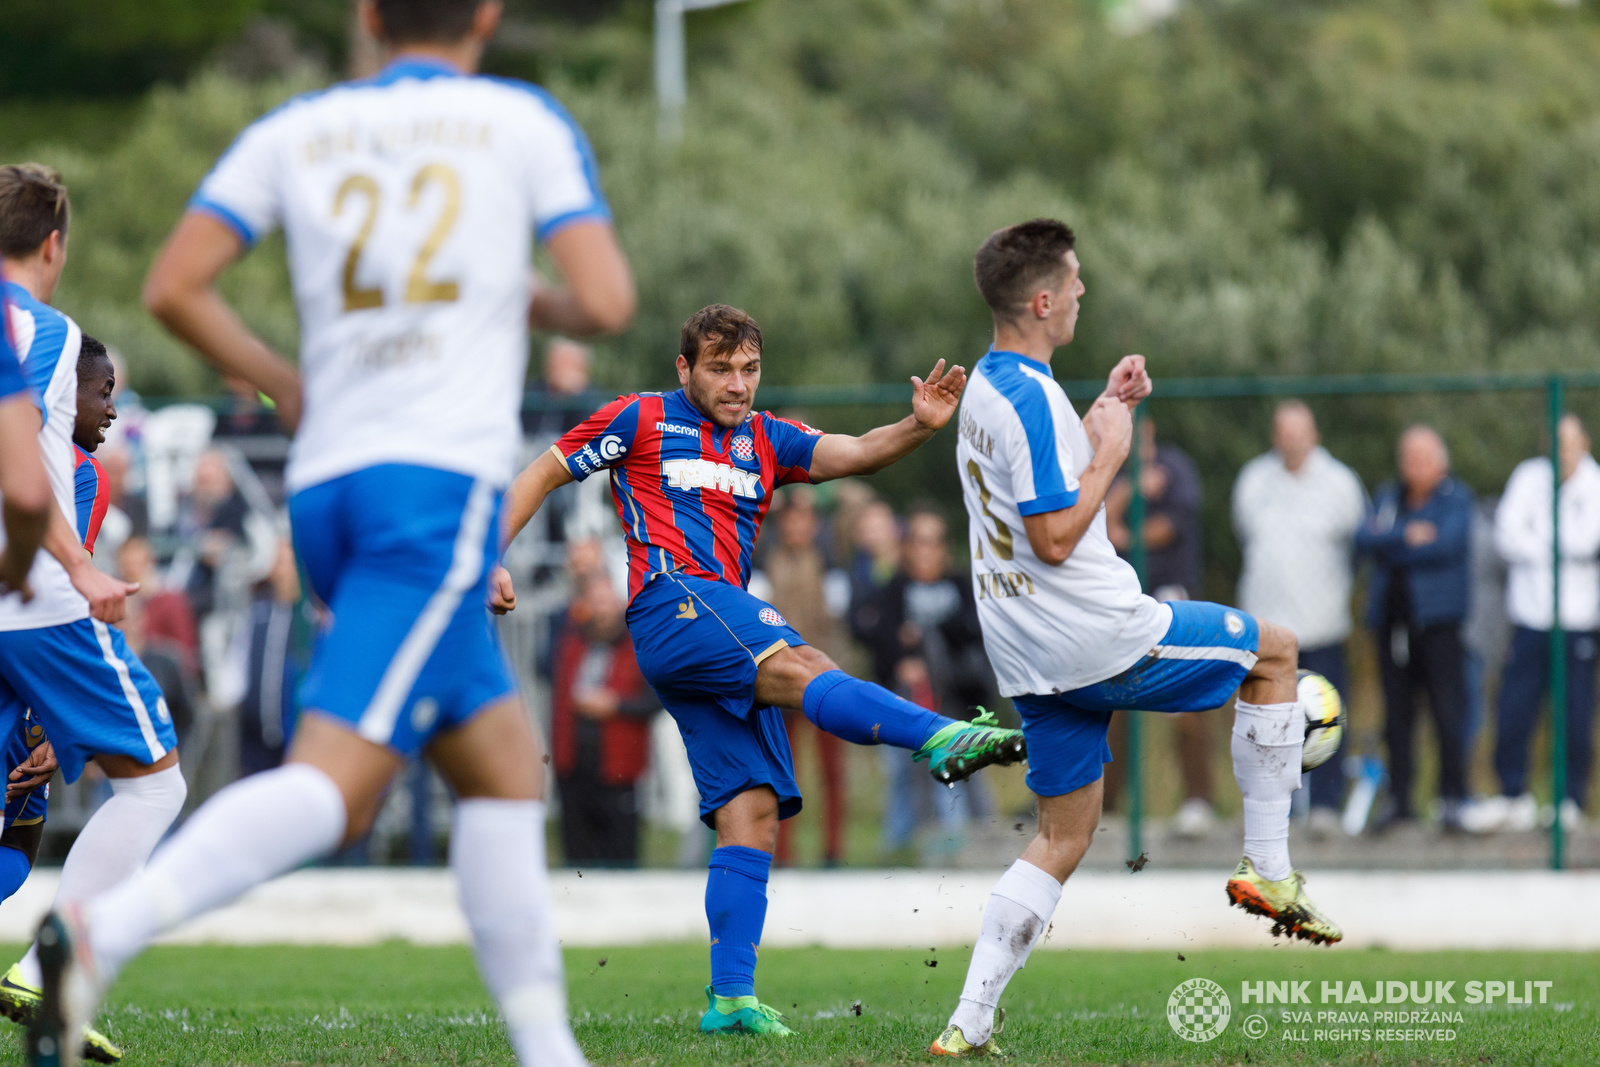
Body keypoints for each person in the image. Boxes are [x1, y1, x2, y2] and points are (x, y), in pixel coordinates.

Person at [38, 2, 637, 1065]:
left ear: (367, 15)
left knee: (502, 768)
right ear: (488, 14)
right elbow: (602, 299)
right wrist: (502, 291)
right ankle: (98, 929)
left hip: (328, 489)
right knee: (338, 783)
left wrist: (281, 380)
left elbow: (174, 285)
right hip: (431, 482)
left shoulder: (299, 127)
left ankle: (550, 1048)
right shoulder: (519, 120)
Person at [491, 302, 1025, 1037]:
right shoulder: (638, 419)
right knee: (805, 662)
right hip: (673, 604)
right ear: (685, 369)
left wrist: (917, 426)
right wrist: (489, 554)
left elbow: (856, 452)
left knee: (752, 809)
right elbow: (540, 474)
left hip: (715, 631)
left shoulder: (769, 438)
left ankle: (730, 997)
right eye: (720, 368)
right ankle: (938, 736)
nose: (738, 383)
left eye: (749, 368)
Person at [933, 219, 1339, 1059]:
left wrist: (1108, 411)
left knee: (1063, 836)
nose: (1083, 291)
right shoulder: (1032, 397)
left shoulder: (986, 386)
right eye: (1074, 281)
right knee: (1278, 649)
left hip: (1028, 652)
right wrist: (1113, 452)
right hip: (1100, 636)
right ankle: (1266, 866)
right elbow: (1052, 532)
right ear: (1042, 300)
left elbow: (1034, 482)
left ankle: (967, 1022)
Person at [0, 163, 187, 1067]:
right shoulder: (43, 332)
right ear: (54, 243)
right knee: (155, 784)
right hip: (33, 601)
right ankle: (45, 968)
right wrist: (81, 570)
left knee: (19, 800)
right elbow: (23, 474)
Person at [0, 333, 120, 908]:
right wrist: (53, 711)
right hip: (19, 668)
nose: (112, 410)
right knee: (154, 783)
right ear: (69, 394)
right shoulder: (79, 471)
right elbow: (62, 594)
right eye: (104, 392)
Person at [1232, 401, 1366, 836]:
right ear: (1275, 436)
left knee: (1324, 717)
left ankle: (1326, 803)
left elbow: (1357, 543)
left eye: (1299, 431)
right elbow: (1244, 535)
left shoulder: (1340, 483)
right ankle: (1272, 808)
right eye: (1284, 432)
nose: (1291, 440)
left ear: (1315, 435)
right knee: (1266, 721)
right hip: (1267, 630)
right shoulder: (1253, 481)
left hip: (1321, 624)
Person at [1464, 414, 1600, 834]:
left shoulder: (1594, 483)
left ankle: (1569, 799)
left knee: (1574, 712)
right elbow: (1506, 536)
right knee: (1514, 708)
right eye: (1555, 442)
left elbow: (1587, 542)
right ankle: (1513, 795)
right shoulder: (1528, 477)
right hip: (1529, 617)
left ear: (1585, 444)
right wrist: (1553, 542)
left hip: (1576, 620)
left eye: (1570, 442)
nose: (1563, 451)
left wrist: (1538, 538)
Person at [851, 507, 991, 858]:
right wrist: (903, 659)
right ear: (908, 545)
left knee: (966, 771)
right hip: (909, 700)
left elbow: (976, 632)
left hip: (959, 699)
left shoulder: (961, 584)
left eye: (934, 541)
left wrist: (930, 634)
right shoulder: (894, 588)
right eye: (919, 541)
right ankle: (898, 849)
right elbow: (878, 638)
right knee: (905, 774)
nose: (926, 550)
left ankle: (972, 844)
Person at [1356, 425, 1474, 832]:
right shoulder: (1390, 496)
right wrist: (1407, 536)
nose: (1414, 466)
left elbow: (1447, 545)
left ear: (1440, 462)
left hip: (1438, 624)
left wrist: (1392, 545)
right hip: (1392, 624)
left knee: (1447, 711)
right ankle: (1400, 798)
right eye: (1408, 457)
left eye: (1423, 458)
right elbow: (1363, 538)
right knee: (1397, 715)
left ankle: (1453, 797)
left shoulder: (1456, 498)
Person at [1103, 415, 1215, 838]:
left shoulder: (1175, 467)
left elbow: (1168, 528)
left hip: (1173, 604)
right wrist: (1130, 489)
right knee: (1113, 707)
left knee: (1186, 704)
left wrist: (1125, 533)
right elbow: (1096, 528)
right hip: (1124, 609)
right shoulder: (1109, 474)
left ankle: (1198, 801)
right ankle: (1106, 807)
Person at [762, 489, 848, 867]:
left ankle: (833, 849)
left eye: (805, 520)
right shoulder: (764, 561)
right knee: (784, 768)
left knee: (831, 770)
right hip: (781, 679)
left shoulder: (829, 564)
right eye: (790, 520)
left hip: (825, 674)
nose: (798, 527)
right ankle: (783, 853)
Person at [547, 573, 656, 866]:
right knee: (577, 858)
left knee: (620, 857)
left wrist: (615, 705)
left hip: (619, 770)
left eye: (608, 602)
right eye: (595, 602)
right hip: (573, 766)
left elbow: (655, 702)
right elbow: (541, 666)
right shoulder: (570, 640)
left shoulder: (639, 644)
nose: (603, 610)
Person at [219, 539, 311, 775]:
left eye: (288, 563)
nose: (281, 571)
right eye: (278, 563)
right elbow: (238, 662)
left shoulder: (309, 619)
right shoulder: (258, 612)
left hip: (295, 737)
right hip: (254, 738)